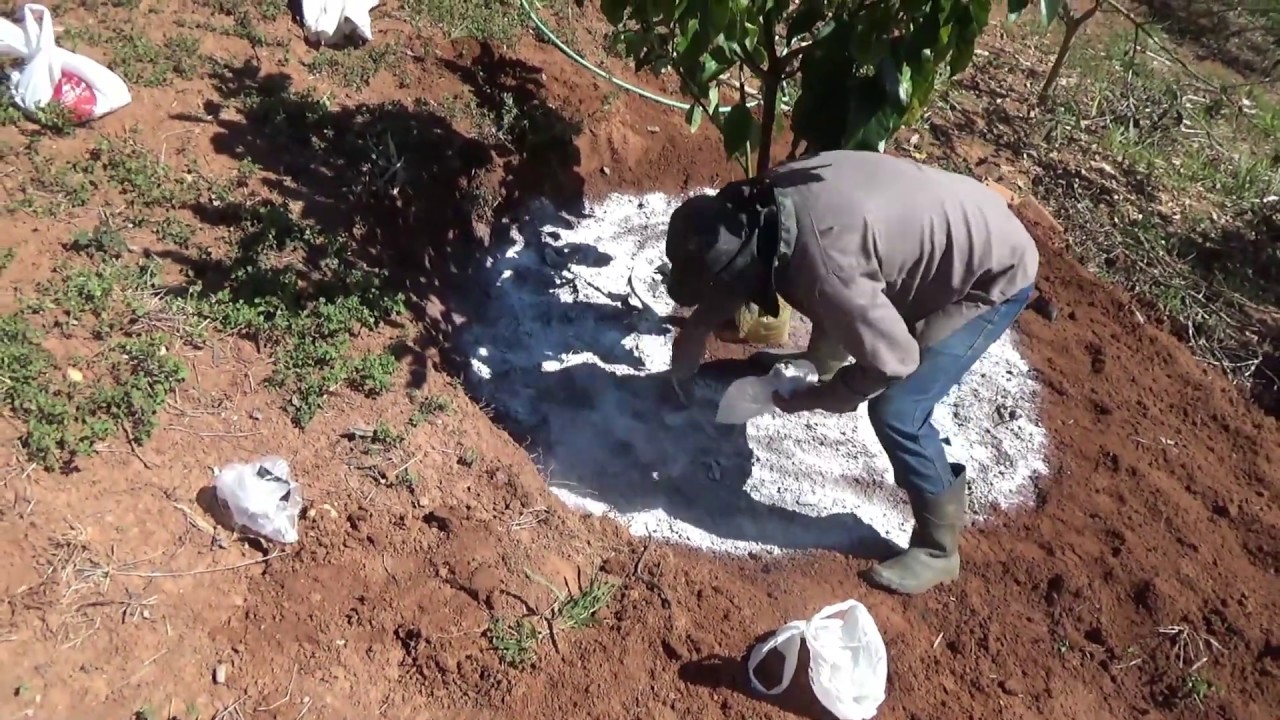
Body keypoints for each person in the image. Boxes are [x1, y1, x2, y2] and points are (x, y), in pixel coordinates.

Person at [664, 150, 1039, 595]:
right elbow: (760, 266)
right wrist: (698, 327)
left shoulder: (826, 268)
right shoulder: (765, 201)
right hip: (952, 219)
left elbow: (894, 360)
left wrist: (821, 397)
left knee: (899, 408)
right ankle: (822, 360)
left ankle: (939, 549)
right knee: (828, 287)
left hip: (992, 273)